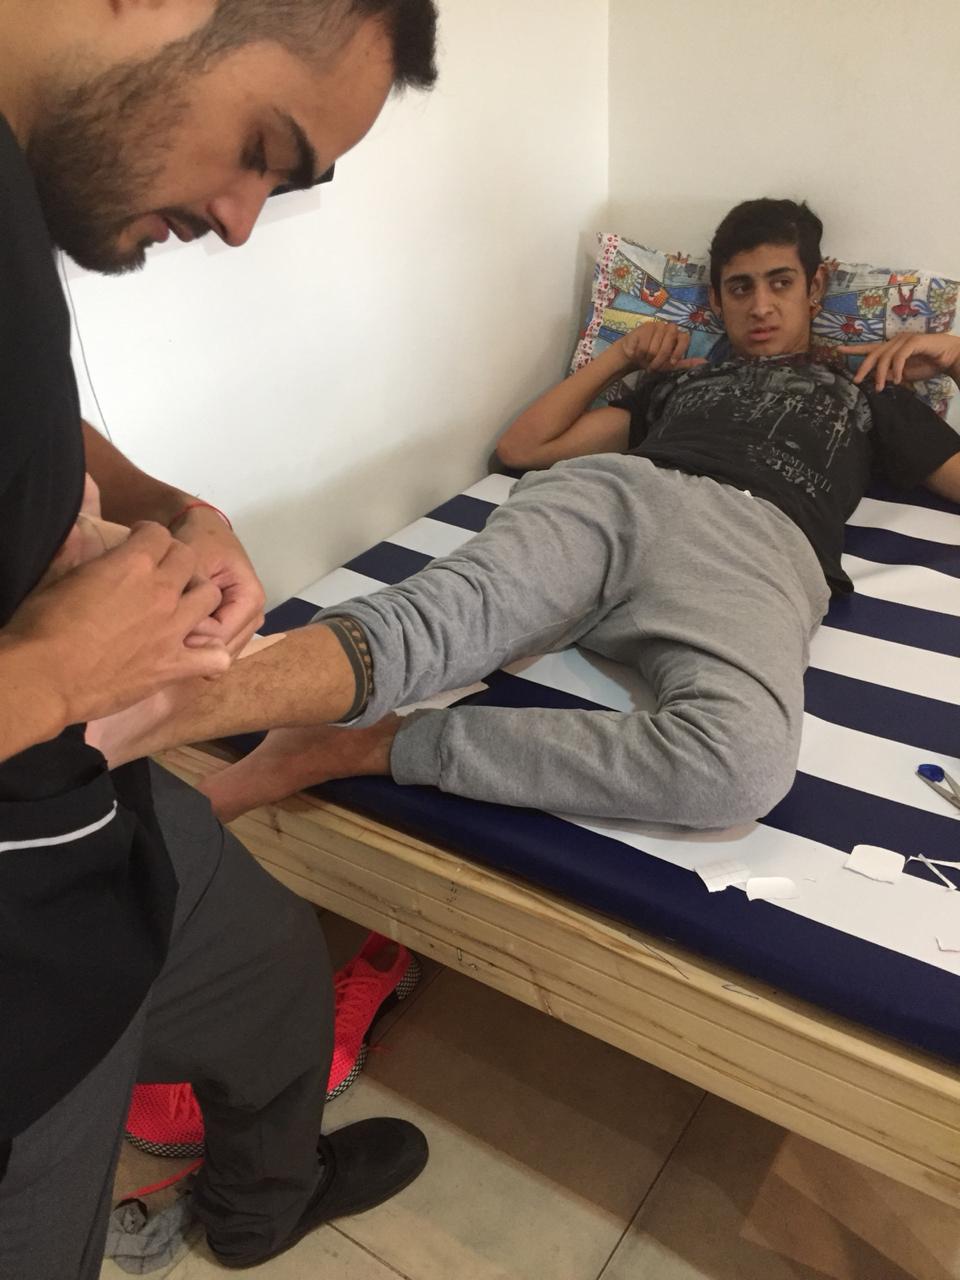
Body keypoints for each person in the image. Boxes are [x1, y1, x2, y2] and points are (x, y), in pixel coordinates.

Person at [0, 2, 438, 1277]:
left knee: (279, 977)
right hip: (21, 950)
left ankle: (262, 1202)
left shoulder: (17, 183)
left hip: (99, 799)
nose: (243, 222)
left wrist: (167, 505)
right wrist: (56, 670)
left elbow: (30, 415)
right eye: (262, 149)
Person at [88, 200, 960, 836]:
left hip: (757, 547)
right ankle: (133, 716)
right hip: (619, 497)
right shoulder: (678, 384)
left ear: (817, 286)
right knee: (444, 618)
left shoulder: (870, 390)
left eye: (779, 284)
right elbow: (523, 448)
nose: (760, 307)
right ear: (718, 299)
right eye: (739, 289)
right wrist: (621, 357)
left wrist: (955, 354)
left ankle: (357, 746)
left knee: (741, 770)